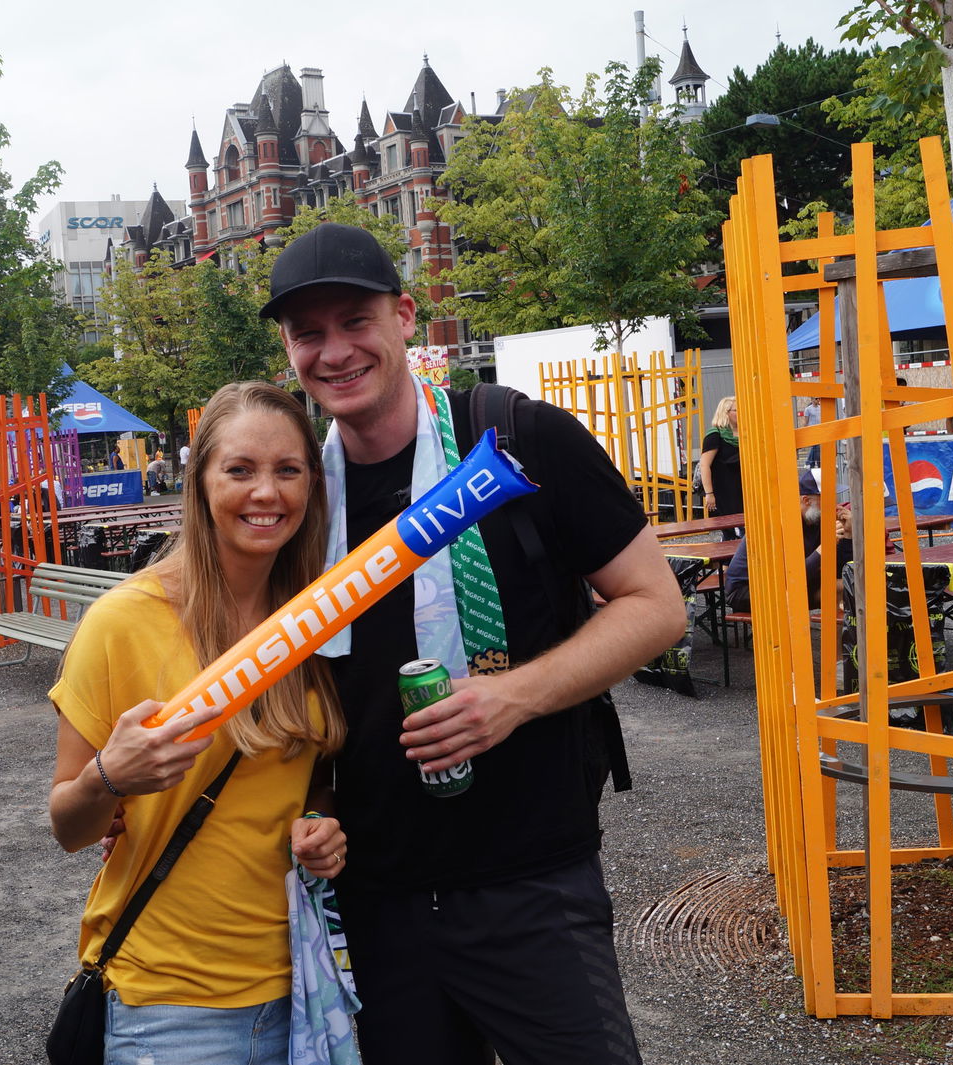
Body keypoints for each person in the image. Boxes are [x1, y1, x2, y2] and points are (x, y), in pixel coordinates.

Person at [261, 222, 686, 1065]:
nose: (334, 351)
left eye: (355, 321)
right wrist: (314, 808)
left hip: (532, 880)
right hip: (380, 899)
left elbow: (657, 606)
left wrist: (512, 696)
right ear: (288, 350)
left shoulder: (520, 439)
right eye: (308, 333)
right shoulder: (300, 500)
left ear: (405, 317)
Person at [48, 381, 348, 1064]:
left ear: (312, 483)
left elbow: (310, 779)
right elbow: (69, 827)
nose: (266, 492)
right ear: (200, 482)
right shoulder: (123, 621)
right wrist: (108, 777)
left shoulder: (320, 617)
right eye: (239, 469)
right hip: (168, 1005)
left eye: (288, 470)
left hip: (305, 987)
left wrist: (323, 822)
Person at [723, 468, 853, 613]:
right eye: (828, 499)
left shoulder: (816, 518)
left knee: (846, 586)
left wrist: (848, 534)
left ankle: (843, 628)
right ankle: (794, 629)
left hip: (786, 584)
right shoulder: (782, 523)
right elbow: (793, 577)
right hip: (747, 589)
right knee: (799, 595)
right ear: (806, 500)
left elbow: (840, 570)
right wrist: (824, 548)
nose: (835, 504)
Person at [700, 395, 743, 538]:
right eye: (736, 410)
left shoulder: (746, 433)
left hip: (745, 489)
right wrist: (709, 494)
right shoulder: (715, 434)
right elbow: (704, 465)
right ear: (725, 413)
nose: (741, 413)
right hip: (725, 491)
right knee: (732, 531)